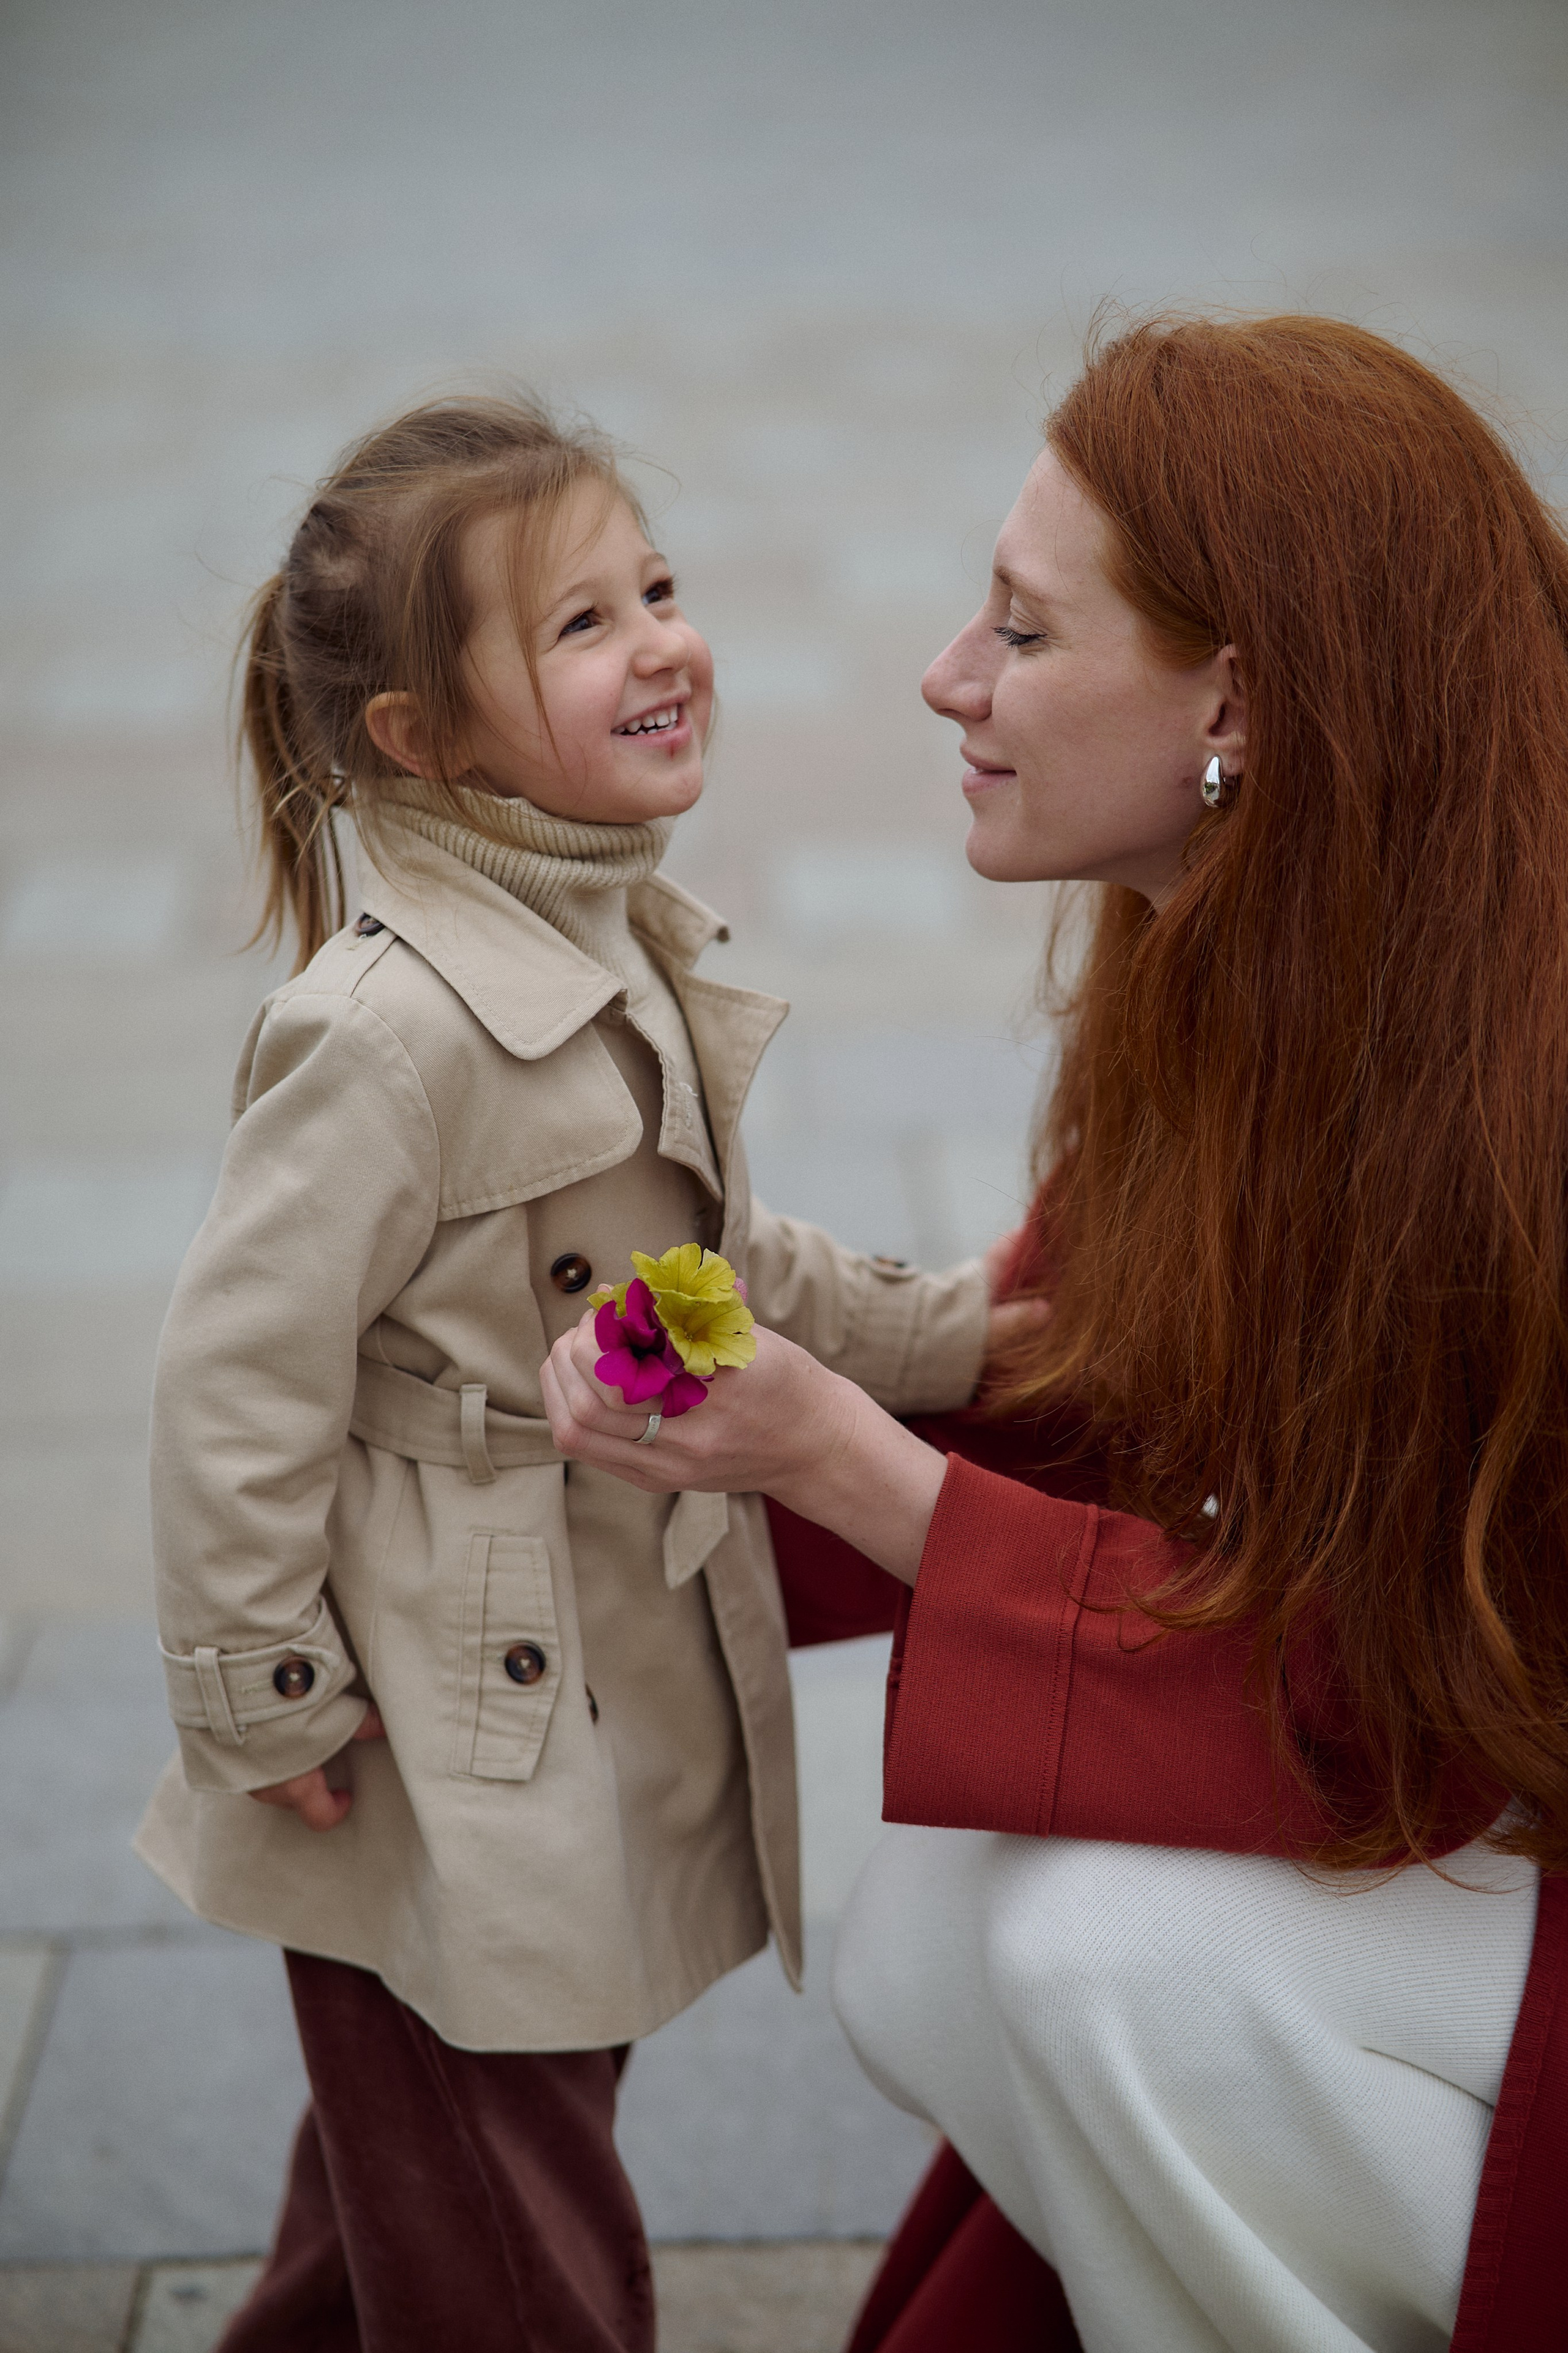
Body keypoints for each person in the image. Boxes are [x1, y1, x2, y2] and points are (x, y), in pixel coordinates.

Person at [541, 315, 1568, 2352]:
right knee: (944, 1910)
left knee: (1119, 1958)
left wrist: (851, 1462)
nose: (949, 677)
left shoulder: (1516, 1097)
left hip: (1489, 1803)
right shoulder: (1252, 959)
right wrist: (528, 1517)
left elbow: (1405, 1710)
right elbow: (1085, 1394)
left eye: (1020, 628)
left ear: (1237, 702)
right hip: (1461, 1814)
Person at [132, 394, 997, 2353]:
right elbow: (234, 1383)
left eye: (658, 589)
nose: (661, 642)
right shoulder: (387, 1029)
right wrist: (263, 1686)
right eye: (582, 624)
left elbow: (687, 1281)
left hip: (582, 1654)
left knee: (460, 2129)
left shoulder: (601, 933)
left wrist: (948, 1330)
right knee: (510, 2220)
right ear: (421, 741)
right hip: (436, 1690)